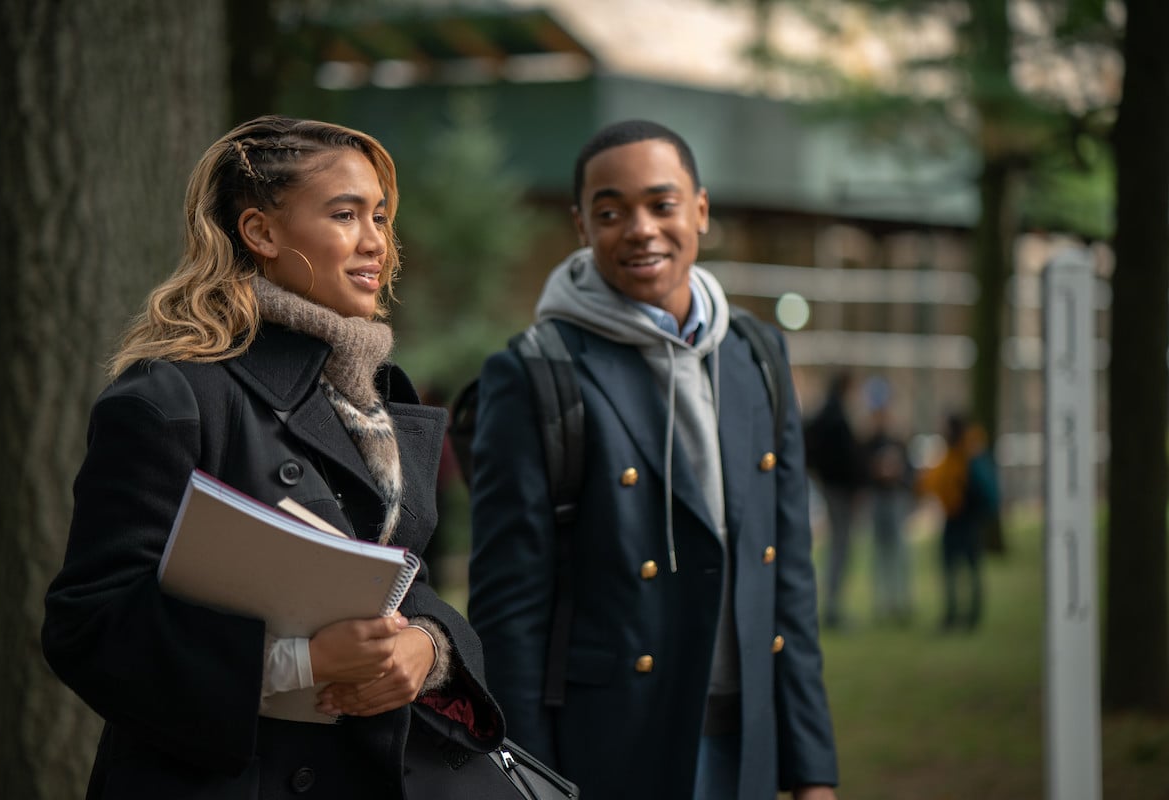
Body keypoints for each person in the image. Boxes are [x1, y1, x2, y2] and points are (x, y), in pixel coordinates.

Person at [41, 115, 504, 799]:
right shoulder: (172, 395)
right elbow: (90, 626)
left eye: (379, 216)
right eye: (345, 214)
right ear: (260, 233)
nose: (376, 241)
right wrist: (303, 662)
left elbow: (407, 579)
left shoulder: (372, 394)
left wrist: (428, 647)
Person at [468, 119, 838, 799]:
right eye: (611, 212)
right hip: (610, 749)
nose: (640, 229)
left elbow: (787, 572)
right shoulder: (535, 372)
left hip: (747, 742)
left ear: (700, 209)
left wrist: (811, 766)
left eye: (661, 205)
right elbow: (509, 613)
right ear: (581, 225)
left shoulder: (756, 353)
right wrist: (526, 782)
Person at [915, 413, 1000, 632]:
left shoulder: (967, 454)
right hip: (957, 518)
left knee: (965, 568)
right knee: (957, 568)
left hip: (965, 519)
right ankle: (958, 614)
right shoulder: (958, 453)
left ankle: (968, 615)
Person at [804, 370, 866, 629]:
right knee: (840, 548)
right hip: (839, 489)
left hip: (831, 486)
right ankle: (832, 606)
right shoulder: (836, 417)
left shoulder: (824, 414)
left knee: (836, 548)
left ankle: (831, 604)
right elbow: (847, 457)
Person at [859, 376, 914, 624]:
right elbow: (859, 471)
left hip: (895, 500)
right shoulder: (868, 441)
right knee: (880, 554)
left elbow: (910, 472)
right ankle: (882, 604)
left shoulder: (898, 439)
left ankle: (901, 602)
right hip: (878, 500)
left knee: (900, 553)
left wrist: (897, 472)